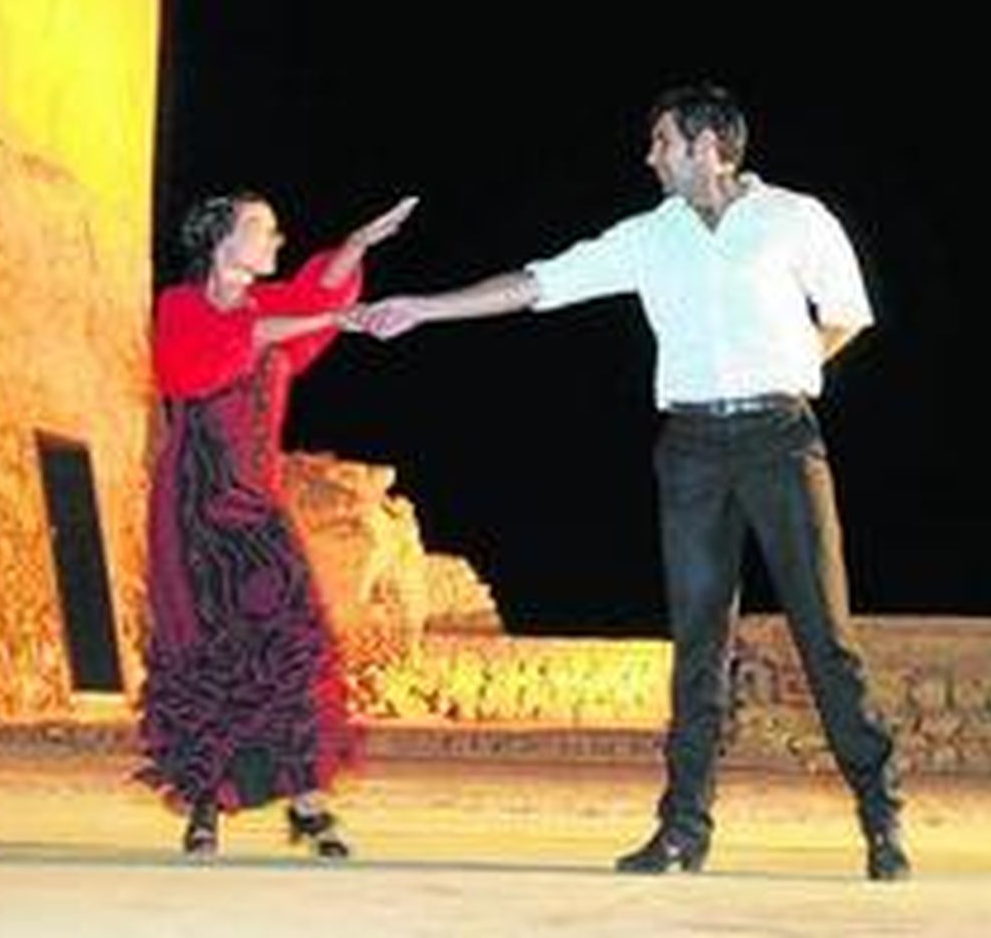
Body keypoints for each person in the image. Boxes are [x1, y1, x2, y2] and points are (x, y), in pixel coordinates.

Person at [350, 84, 910, 881]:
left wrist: (789, 366)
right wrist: (423, 308)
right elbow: (539, 282)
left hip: (781, 441)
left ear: (709, 145)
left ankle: (881, 816)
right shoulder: (650, 238)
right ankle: (683, 831)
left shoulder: (795, 218)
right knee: (697, 643)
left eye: (663, 142)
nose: (650, 156)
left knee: (825, 633)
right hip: (690, 449)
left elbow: (847, 311)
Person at [139, 190, 418, 858]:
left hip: (257, 501)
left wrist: (356, 244)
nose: (278, 237)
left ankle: (307, 801)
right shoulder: (180, 307)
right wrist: (331, 315)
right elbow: (197, 365)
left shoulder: (272, 309)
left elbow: (311, 299)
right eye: (261, 228)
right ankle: (206, 804)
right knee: (207, 651)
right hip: (196, 502)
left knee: (293, 641)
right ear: (220, 242)